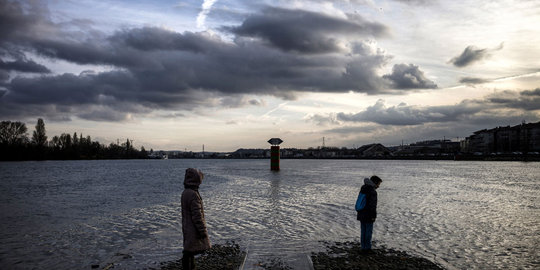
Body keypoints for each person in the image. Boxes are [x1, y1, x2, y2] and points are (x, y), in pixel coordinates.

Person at [181, 168, 211, 270]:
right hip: (193, 228)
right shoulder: (194, 194)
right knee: (189, 252)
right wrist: (203, 231)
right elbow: (197, 216)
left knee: (189, 251)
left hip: (186, 227)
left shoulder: (185, 192)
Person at [356, 175, 382, 253]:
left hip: (361, 213)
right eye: (378, 184)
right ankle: (367, 249)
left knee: (363, 231)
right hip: (368, 214)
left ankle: (363, 247)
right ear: (375, 183)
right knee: (368, 232)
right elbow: (372, 206)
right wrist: (373, 216)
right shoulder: (372, 192)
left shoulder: (363, 188)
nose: (378, 186)